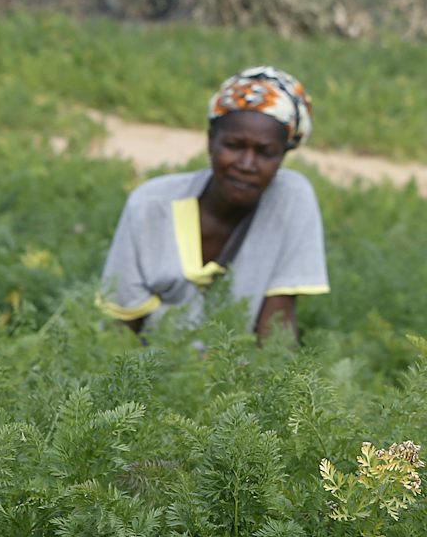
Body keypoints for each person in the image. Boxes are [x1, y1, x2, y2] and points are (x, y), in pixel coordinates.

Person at [97, 66, 326, 342]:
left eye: (265, 153)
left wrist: (278, 383)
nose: (246, 164)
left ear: (282, 156)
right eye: (234, 145)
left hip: (232, 375)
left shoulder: (290, 199)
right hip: (151, 369)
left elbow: (277, 326)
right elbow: (121, 327)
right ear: (210, 141)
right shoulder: (150, 205)